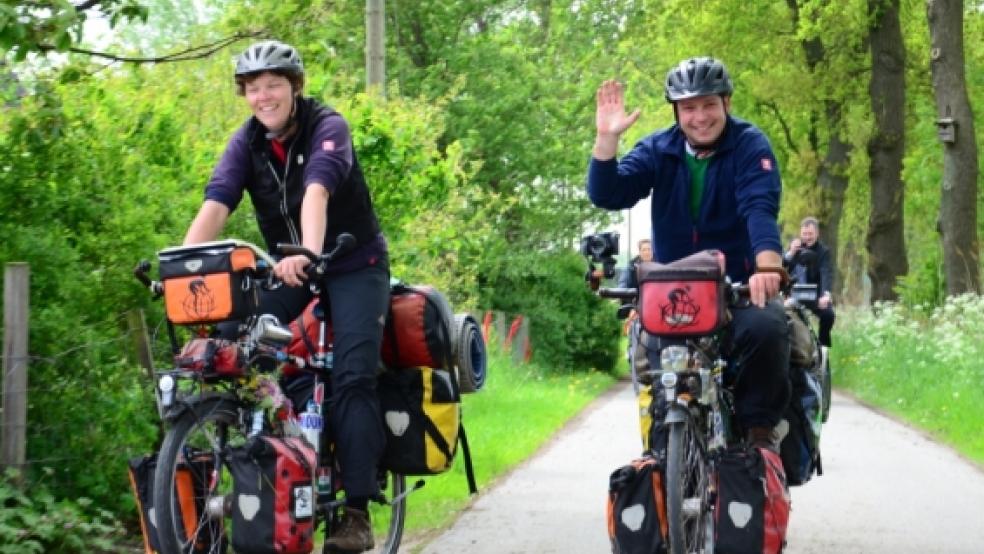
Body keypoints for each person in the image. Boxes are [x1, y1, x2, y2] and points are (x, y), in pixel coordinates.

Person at [183, 39, 386, 552]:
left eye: (273, 84)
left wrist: (307, 251)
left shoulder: (327, 126)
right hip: (292, 267)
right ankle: (282, 442)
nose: (263, 96)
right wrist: (181, 263)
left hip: (352, 262)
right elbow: (217, 203)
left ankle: (357, 512)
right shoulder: (245, 143)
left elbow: (317, 190)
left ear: (294, 87)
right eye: (253, 88)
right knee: (235, 341)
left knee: (354, 375)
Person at [586, 57, 790, 451]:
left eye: (709, 105)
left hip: (736, 288)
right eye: (689, 107)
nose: (700, 117)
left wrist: (766, 267)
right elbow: (609, 193)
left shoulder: (750, 145)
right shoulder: (658, 149)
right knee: (653, 361)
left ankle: (760, 437)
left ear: (726, 103)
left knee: (766, 329)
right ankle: (664, 451)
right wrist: (607, 140)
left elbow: (759, 207)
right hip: (674, 291)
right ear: (676, 111)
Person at [785, 216, 836, 347]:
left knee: (828, 315)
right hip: (795, 293)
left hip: (815, 295)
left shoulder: (823, 251)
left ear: (817, 234)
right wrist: (790, 253)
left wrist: (826, 294)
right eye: (804, 234)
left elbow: (826, 272)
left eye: (810, 234)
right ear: (800, 234)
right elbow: (783, 267)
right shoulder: (795, 248)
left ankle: (822, 346)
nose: (807, 237)